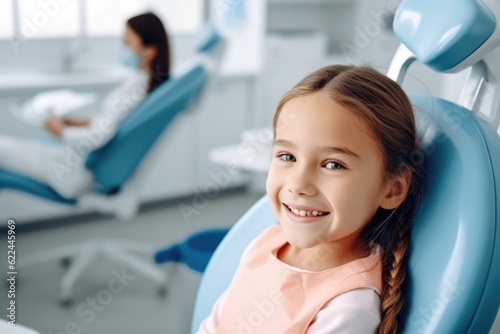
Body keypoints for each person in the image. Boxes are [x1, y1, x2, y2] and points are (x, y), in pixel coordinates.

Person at [198, 65, 423, 333]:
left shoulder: (348, 308)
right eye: (287, 157)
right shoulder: (265, 243)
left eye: (333, 165)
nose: (298, 184)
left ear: (392, 189)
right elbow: (216, 325)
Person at [0, 12, 171, 199]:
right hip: (74, 162)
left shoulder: (135, 87)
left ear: (149, 51)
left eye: (128, 44)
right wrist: (72, 122)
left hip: (69, 170)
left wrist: (60, 131)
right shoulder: (143, 83)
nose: (123, 48)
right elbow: (111, 122)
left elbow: (99, 136)